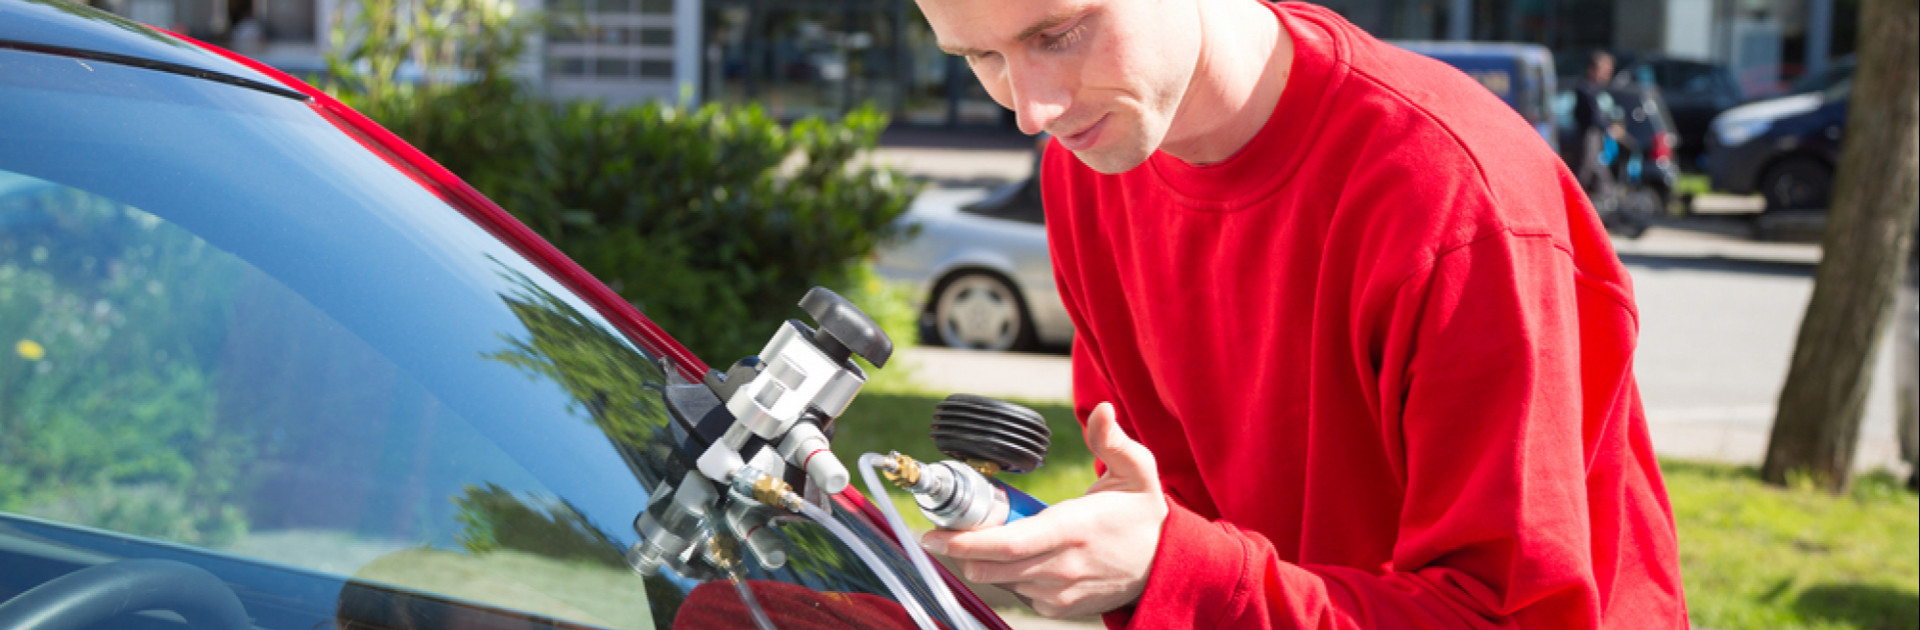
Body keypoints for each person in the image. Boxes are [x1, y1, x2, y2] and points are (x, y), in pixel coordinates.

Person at [909, 0, 1690, 628]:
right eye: (980, 58)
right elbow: (1171, 510)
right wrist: (1126, 558)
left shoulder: (1452, 197)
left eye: (1059, 32)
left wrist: (1174, 571)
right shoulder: (1091, 165)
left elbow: (1510, 614)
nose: (1031, 109)